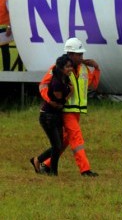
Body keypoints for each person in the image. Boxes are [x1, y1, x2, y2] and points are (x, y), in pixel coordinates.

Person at [35, 38, 101, 177]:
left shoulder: (84, 69)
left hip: (77, 111)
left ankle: (45, 164)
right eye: (79, 54)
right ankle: (85, 170)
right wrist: (50, 100)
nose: (82, 57)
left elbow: (93, 85)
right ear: (70, 54)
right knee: (77, 139)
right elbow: (43, 85)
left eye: (82, 54)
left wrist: (97, 69)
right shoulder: (58, 68)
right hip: (66, 111)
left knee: (64, 141)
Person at [30, 54, 73, 176]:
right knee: (57, 145)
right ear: (61, 68)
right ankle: (51, 171)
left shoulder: (65, 78)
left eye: (71, 66)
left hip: (56, 116)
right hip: (48, 116)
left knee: (58, 146)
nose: (70, 69)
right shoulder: (56, 82)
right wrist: (71, 93)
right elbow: (58, 104)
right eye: (68, 67)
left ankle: (39, 162)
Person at [0, 0, 12, 71]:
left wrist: (9, 27)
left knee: (5, 51)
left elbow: (12, 14)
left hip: (4, 30)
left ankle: (6, 70)